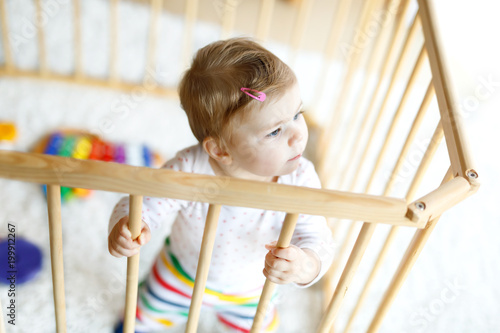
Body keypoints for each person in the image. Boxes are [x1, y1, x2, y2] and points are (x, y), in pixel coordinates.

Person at [108, 37, 334, 333]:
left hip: (252, 292)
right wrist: (126, 226)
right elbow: (143, 203)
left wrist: (306, 264)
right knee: (140, 320)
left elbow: (319, 237)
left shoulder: (300, 179)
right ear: (220, 151)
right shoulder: (190, 169)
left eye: (297, 114)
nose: (297, 136)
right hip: (180, 275)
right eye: (275, 131)